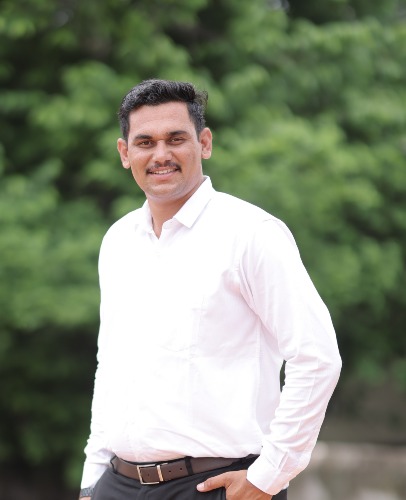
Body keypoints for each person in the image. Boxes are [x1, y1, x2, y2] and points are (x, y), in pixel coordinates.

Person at [79, 79, 341, 500]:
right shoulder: (119, 241)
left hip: (216, 485)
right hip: (117, 484)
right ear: (125, 153)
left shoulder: (251, 234)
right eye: (145, 142)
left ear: (204, 143)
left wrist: (267, 477)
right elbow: (109, 367)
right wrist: (92, 481)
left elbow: (317, 357)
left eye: (175, 139)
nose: (160, 154)